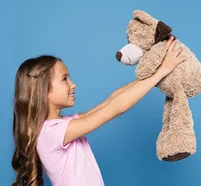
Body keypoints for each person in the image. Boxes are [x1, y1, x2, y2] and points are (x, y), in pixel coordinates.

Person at [10, 38, 187, 186]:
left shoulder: (64, 125)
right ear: (43, 90)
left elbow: (110, 101)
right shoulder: (52, 133)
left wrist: (155, 75)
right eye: (65, 79)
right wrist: (162, 71)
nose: (73, 85)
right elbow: (115, 108)